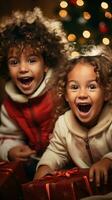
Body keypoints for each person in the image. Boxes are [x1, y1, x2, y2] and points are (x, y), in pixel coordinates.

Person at [0, 7, 71, 179]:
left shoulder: (60, 91)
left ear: (46, 64)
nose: (23, 68)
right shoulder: (9, 105)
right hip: (33, 162)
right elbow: (6, 136)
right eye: (14, 62)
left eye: (32, 60)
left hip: (68, 160)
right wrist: (11, 149)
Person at [34, 44, 112, 187]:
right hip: (84, 187)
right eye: (74, 87)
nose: (82, 95)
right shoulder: (64, 124)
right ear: (65, 95)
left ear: (106, 92)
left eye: (92, 86)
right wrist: (44, 167)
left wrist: (107, 161)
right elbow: (56, 152)